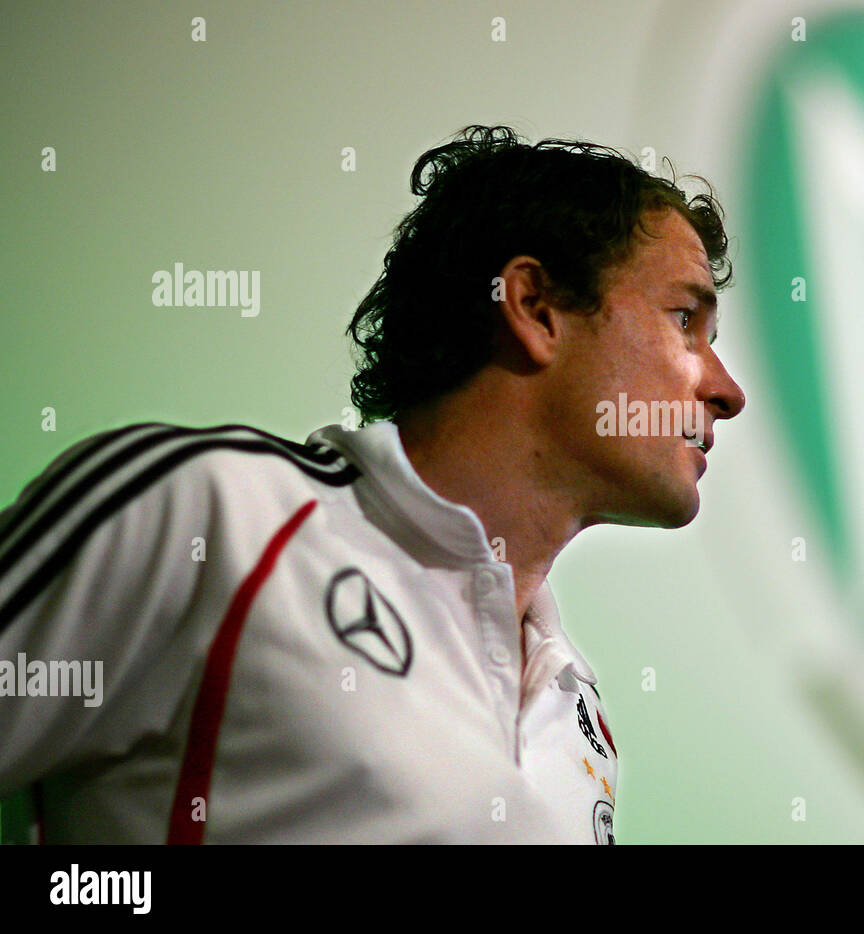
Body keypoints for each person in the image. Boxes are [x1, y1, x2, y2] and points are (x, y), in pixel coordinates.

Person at [0, 125, 745, 843]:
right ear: (535, 307)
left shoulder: (578, 708)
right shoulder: (209, 513)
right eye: (685, 320)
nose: (728, 390)